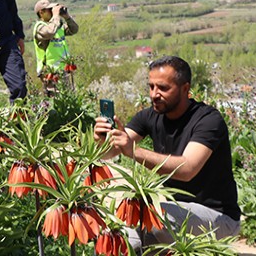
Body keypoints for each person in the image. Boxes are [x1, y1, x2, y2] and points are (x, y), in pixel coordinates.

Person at [93, 56, 240, 252]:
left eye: (162, 88)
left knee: (157, 214)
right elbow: (113, 151)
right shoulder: (150, 115)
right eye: (151, 86)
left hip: (217, 218)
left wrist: (133, 151)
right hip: (170, 217)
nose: (154, 94)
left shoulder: (208, 120)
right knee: (117, 240)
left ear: (185, 89)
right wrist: (103, 140)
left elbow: (187, 169)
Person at [32, 0, 79, 93]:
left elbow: (74, 29)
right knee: (54, 99)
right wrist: (56, 15)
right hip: (50, 71)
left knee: (67, 98)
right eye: (49, 10)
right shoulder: (40, 27)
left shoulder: (57, 25)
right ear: (41, 13)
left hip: (63, 69)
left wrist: (67, 17)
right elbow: (50, 32)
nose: (52, 12)